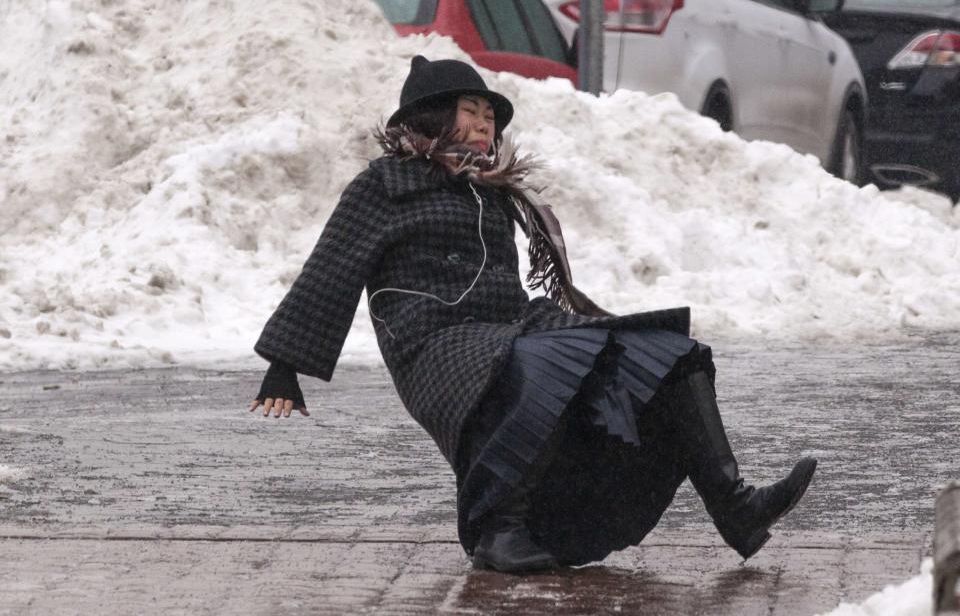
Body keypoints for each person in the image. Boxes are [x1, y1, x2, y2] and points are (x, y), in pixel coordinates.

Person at [249, 55, 817, 573]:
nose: (484, 125)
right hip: (434, 345)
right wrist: (285, 365)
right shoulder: (384, 186)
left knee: (665, 350)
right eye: (469, 112)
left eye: (489, 116)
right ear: (431, 118)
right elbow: (332, 268)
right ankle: (497, 531)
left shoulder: (493, 192)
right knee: (546, 361)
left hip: (508, 334)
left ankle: (735, 506)